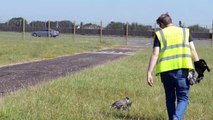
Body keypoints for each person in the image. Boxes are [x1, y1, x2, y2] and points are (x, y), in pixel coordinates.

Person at [146, 13, 199, 120]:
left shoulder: (159, 34)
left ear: (161, 24)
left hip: (166, 72)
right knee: (183, 98)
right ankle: (176, 118)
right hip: (182, 70)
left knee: (170, 99)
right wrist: (198, 66)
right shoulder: (185, 31)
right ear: (170, 21)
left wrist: (149, 72)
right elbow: (193, 50)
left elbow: (155, 54)